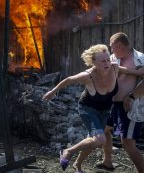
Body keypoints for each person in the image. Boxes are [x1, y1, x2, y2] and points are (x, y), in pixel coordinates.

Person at [42, 44, 144, 173]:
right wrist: (53, 91)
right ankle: (68, 151)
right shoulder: (88, 75)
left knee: (95, 138)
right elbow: (68, 80)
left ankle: (80, 165)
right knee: (99, 139)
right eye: (102, 61)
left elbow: (129, 72)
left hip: (106, 110)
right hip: (88, 109)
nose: (107, 63)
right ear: (93, 62)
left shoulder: (114, 67)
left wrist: (139, 72)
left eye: (108, 59)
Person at [96, 32, 144, 173]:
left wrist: (131, 96)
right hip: (112, 105)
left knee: (128, 143)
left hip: (130, 107)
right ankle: (107, 161)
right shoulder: (112, 58)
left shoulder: (140, 59)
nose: (111, 50)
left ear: (119, 45)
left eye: (112, 47)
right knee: (103, 130)